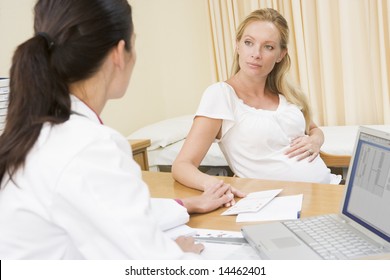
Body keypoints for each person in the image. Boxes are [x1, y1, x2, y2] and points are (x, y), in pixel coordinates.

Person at [0, 0, 234, 259]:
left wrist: (187, 204)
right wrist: (183, 254)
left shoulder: (36, 132)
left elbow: (104, 208)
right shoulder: (88, 146)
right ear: (119, 53)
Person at [172, 8, 341, 193]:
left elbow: (314, 129)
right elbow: (182, 165)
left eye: (268, 46)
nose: (256, 54)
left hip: (330, 190)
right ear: (237, 45)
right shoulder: (221, 95)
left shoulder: (285, 94)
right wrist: (217, 186)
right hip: (282, 204)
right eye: (248, 43)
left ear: (281, 54)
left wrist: (316, 140)